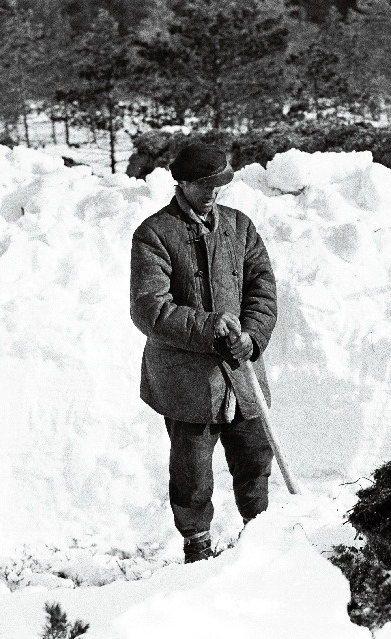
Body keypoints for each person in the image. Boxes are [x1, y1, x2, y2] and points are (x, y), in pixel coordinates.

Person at [130, 142, 277, 563]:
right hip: (186, 378)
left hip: (242, 366)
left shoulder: (240, 227)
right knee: (192, 467)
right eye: (205, 186)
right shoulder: (154, 234)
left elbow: (262, 288)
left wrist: (252, 335)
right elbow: (149, 308)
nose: (213, 194)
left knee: (254, 453)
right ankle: (197, 543)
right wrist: (211, 327)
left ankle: (259, 532)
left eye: (219, 185)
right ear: (183, 183)